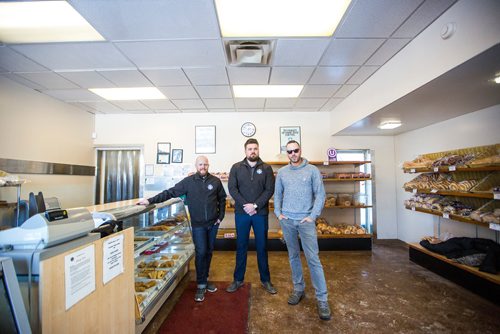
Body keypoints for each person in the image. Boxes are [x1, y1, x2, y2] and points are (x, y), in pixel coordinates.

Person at [137, 156, 226, 302]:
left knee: (209, 252)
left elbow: (222, 199)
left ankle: (205, 278)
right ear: (196, 166)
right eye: (200, 164)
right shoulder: (188, 182)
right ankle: (201, 284)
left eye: (205, 164)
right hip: (198, 225)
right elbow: (170, 192)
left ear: (208, 165)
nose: (202, 167)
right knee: (201, 252)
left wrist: (220, 217)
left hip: (212, 224)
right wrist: (150, 200)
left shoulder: (215, 181)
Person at [273, 140, 331, 320]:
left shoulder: (312, 170)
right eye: (289, 152)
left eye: (295, 150)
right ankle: (299, 289)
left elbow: (320, 194)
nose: (293, 154)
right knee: (293, 256)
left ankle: (322, 299)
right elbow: (278, 195)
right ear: (287, 153)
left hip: (306, 221)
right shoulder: (282, 173)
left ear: (300, 150)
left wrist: (312, 216)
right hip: (288, 221)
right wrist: (279, 213)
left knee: (313, 259)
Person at [226, 138, 277, 294]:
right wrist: (246, 206)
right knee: (241, 246)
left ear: (258, 150)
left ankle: (266, 280)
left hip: (260, 213)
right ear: (245, 151)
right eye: (250, 149)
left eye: (255, 148)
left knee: (262, 247)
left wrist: (255, 206)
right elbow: (232, 189)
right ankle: (238, 279)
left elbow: (269, 190)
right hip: (242, 214)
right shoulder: (236, 168)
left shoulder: (267, 168)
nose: (252, 151)